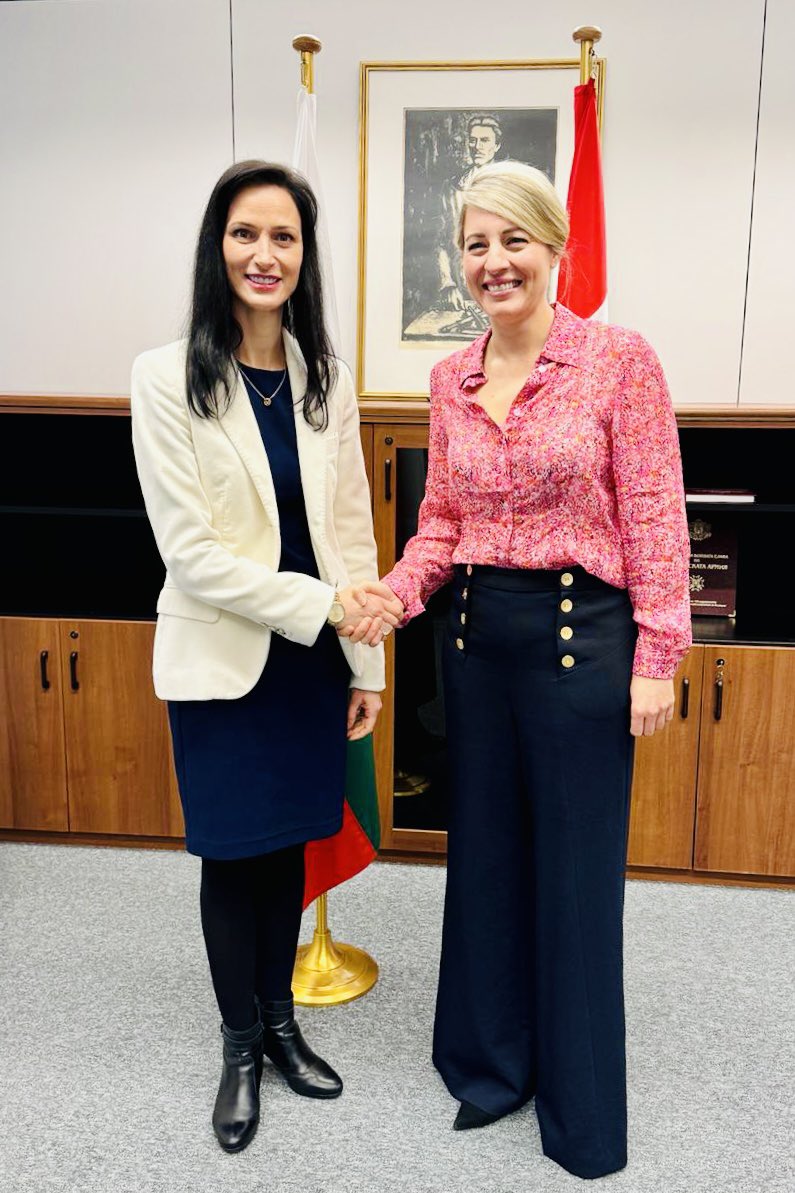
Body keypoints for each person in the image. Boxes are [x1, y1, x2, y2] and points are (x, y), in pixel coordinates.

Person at [366, 160, 692, 1179]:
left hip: (576, 640)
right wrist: (393, 595)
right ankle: (489, 1063)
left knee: (577, 876)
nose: (495, 261)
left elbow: (653, 511)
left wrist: (658, 654)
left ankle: (581, 1107)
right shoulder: (449, 376)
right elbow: (444, 523)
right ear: (459, 260)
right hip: (475, 642)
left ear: (556, 247)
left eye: (515, 240)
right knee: (489, 864)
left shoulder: (618, 360)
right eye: (476, 243)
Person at [130, 160, 400, 1154]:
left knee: (287, 846)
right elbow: (191, 556)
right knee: (232, 849)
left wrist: (365, 662)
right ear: (219, 246)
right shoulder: (166, 377)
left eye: (284, 237)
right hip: (224, 658)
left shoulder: (324, 373)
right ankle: (240, 1043)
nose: (264, 254)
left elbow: (353, 531)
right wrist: (324, 604)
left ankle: (283, 1021)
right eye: (246, 233)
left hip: (314, 662)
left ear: (304, 255)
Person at [437, 115, 503, 313]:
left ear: (497, 145)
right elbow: (442, 240)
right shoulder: (452, 188)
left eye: (484, 141)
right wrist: (448, 284)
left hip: (503, 289)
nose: (477, 146)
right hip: (463, 293)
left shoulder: (511, 186)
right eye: (473, 140)